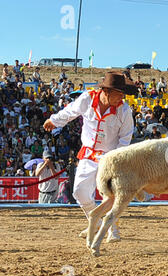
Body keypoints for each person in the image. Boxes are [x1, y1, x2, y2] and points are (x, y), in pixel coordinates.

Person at [43, 72, 136, 242]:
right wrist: (54, 121)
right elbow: (70, 111)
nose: (122, 97)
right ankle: (98, 223)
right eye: (119, 93)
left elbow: (125, 138)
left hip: (110, 157)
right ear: (107, 91)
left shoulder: (124, 110)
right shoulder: (87, 99)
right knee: (79, 192)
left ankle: (112, 229)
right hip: (88, 154)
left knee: (110, 195)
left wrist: (117, 160)